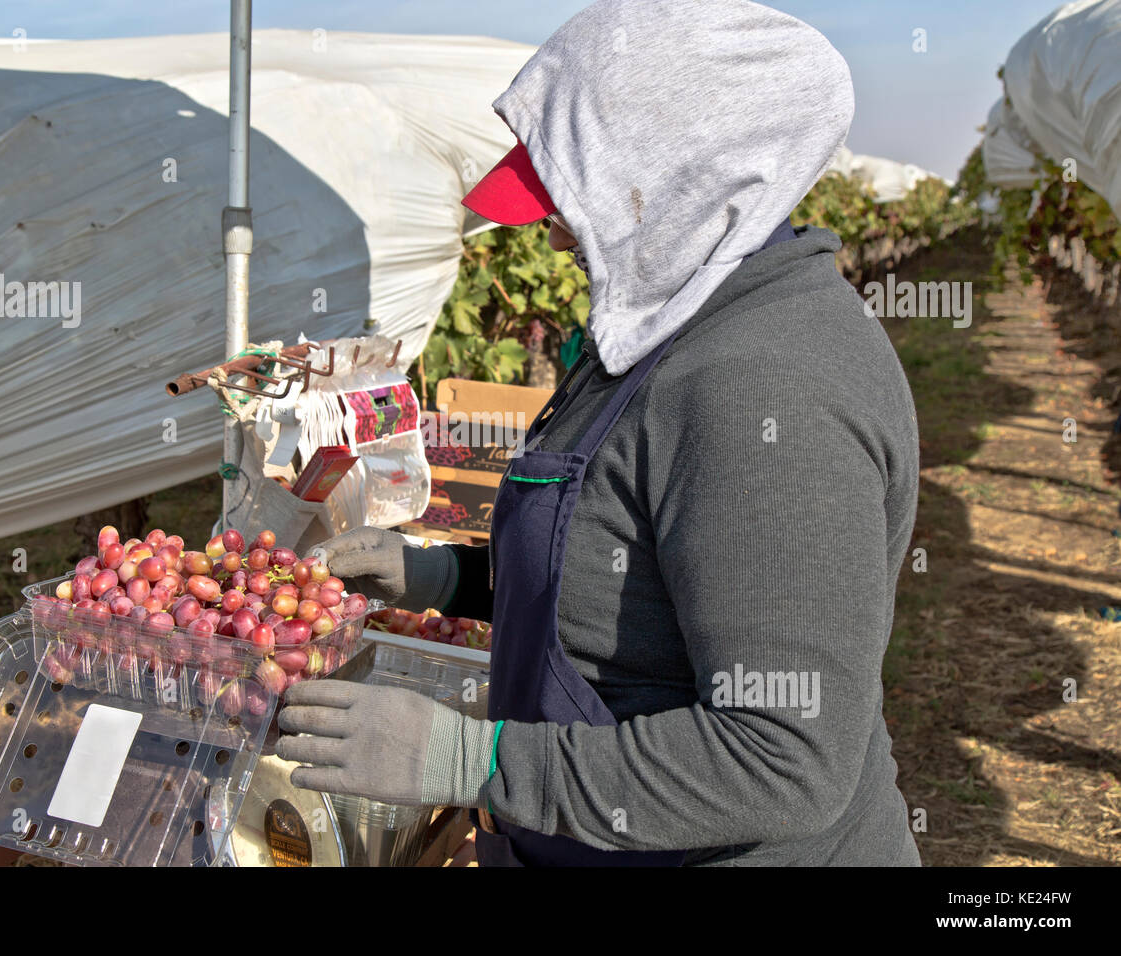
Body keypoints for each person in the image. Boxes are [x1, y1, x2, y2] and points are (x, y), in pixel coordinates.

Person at [277, 0, 922, 866]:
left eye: (569, 194)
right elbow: (625, 579)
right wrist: (444, 575)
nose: (547, 226)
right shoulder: (667, 323)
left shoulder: (766, 388)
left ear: (683, 179)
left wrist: (477, 760)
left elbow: (785, 760)